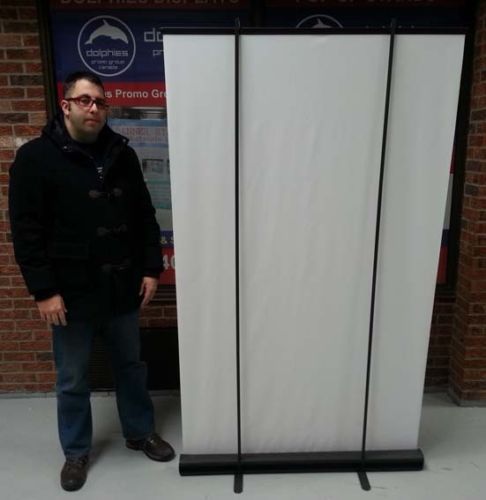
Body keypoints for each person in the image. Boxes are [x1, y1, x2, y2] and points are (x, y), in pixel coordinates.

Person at [8, 71, 175, 492]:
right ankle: (76, 451)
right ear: (66, 106)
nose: (94, 108)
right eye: (85, 100)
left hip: (122, 284)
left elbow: (144, 216)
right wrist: (44, 291)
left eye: (100, 102)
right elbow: (26, 231)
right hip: (69, 291)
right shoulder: (35, 158)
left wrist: (150, 268)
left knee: (130, 367)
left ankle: (140, 432)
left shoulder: (122, 153)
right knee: (72, 377)